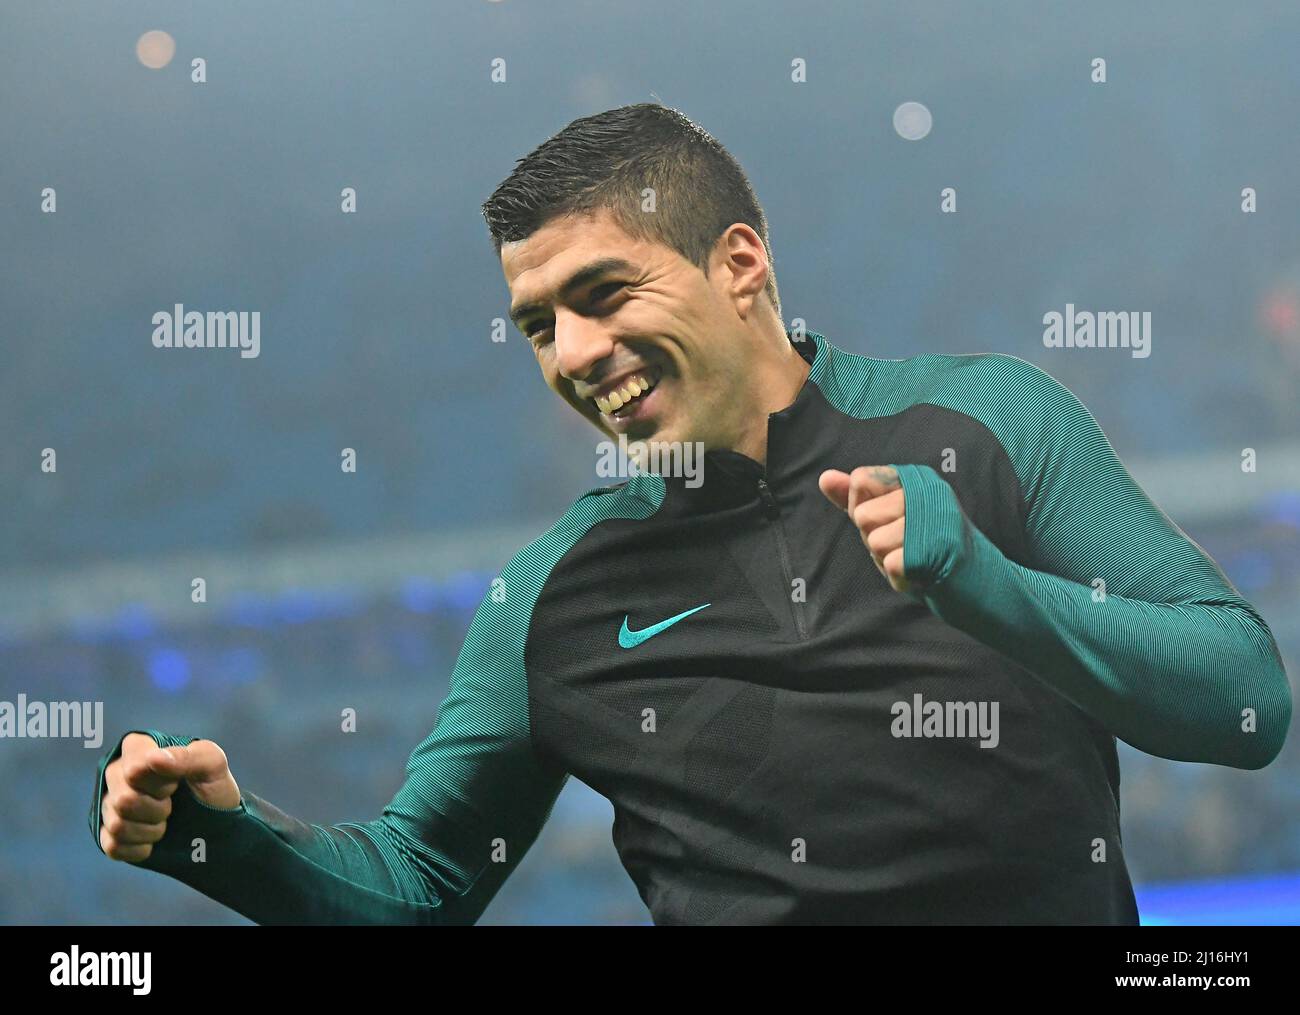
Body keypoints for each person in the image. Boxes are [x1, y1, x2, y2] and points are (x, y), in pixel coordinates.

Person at [91, 103, 1291, 925]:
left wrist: (981, 579)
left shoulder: (989, 422)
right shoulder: (551, 596)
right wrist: (220, 840)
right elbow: (422, 881)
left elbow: (1244, 699)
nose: (572, 353)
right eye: (537, 324)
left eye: (603, 293)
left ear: (739, 263)